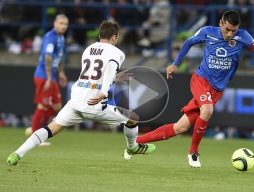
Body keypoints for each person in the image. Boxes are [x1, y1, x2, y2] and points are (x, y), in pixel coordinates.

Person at [7, 21, 156, 166]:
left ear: (99, 36)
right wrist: (103, 92)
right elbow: (110, 67)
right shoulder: (116, 52)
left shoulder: (88, 49)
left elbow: (96, 73)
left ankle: (17, 154)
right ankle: (133, 147)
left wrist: (116, 77)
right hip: (95, 105)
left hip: (76, 102)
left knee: (51, 128)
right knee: (133, 118)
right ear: (114, 38)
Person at [136, 10, 254, 168]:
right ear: (221, 23)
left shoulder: (244, 36)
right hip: (201, 79)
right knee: (207, 111)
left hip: (217, 89)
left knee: (180, 127)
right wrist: (175, 64)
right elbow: (188, 43)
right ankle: (193, 153)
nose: (230, 34)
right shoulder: (208, 32)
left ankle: (136, 143)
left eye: (233, 30)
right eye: (227, 29)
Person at [27, 14, 69, 146]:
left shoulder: (61, 37)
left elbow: (59, 57)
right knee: (43, 105)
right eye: (61, 23)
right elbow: (48, 58)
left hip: (52, 77)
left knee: (57, 106)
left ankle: (34, 129)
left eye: (65, 24)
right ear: (55, 24)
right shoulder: (50, 37)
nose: (63, 26)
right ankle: (35, 135)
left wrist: (61, 73)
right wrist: (49, 78)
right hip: (44, 77)